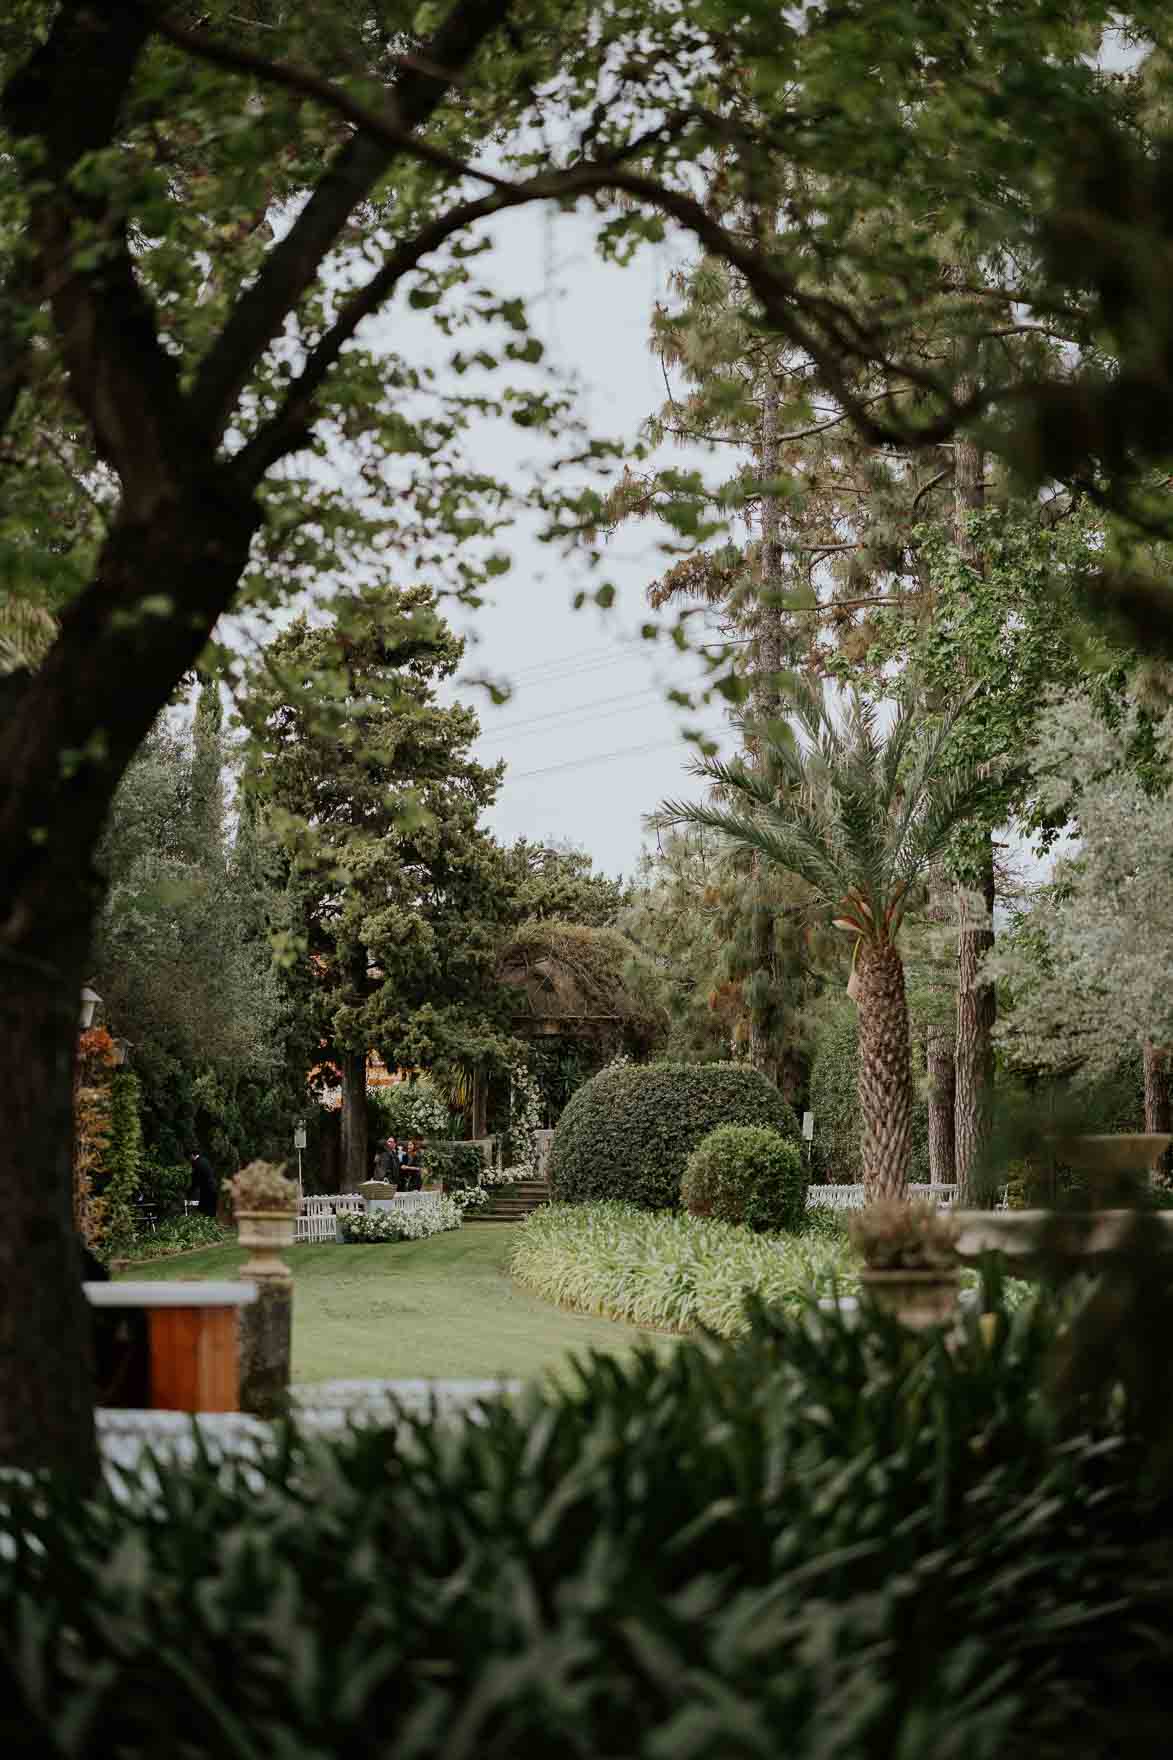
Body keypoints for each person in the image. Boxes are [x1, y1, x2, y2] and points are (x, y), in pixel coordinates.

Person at [188, 1146, 218, 1218]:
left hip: (206, 1189)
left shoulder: (196, 1163)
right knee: (210, 1210)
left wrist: (189, 1191)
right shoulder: (205, 1160)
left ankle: (207, 1226)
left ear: (192, 1155)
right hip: (213, 1187)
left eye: (190, 1156)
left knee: (205, 1210)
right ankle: (212, 1226)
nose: (189, 1158)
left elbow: (195, 1179)